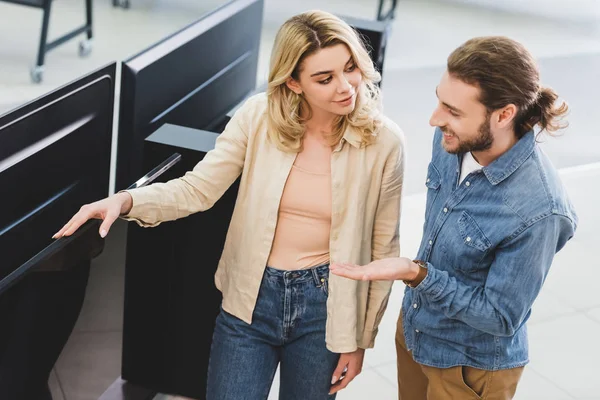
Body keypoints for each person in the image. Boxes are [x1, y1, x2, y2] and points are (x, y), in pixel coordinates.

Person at [54, 10, 406, 399]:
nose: (346, 87)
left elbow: (383, 246)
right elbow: (197, 189)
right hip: (250, 299)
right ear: (293, 82)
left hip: (326, 306)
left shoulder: (385, 143)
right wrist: (126, 200)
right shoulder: (258, 118)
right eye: (325, 79)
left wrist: (359, 339)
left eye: (350, 68)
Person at [330, 36, 578, 400]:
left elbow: (500, 317)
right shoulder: (452, 139)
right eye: (439, 100)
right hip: (416, 334)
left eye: (453, 110)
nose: (435, 118)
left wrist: (417, 274)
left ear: (504, 114)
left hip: (470, 369)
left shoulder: (540, 209)